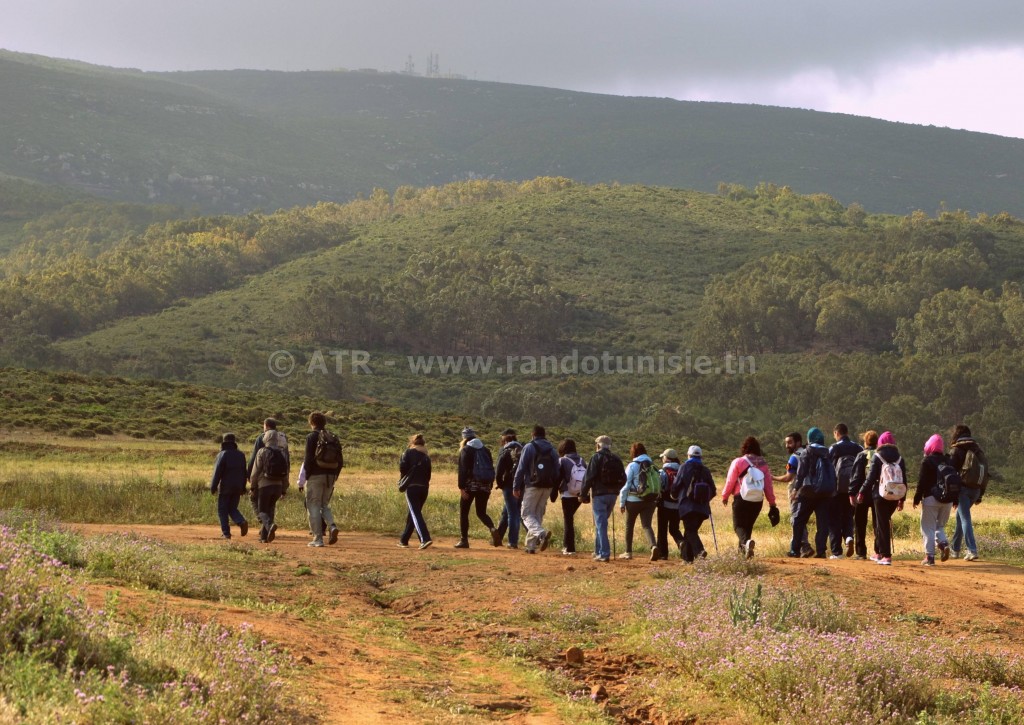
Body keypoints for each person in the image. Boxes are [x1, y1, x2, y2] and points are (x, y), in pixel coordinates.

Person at [721, 437, 776, 559]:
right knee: (747, 527)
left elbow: (730, 481)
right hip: (757, 500)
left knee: (738, 526)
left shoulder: (738, 462)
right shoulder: (763, 464)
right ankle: (743, 556)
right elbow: (768, 485)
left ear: (744, 448)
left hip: (741, 498)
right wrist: (772, 503)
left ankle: (746, 545)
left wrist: (725, 496)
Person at [513, 425, 561, 553]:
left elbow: (521, 468)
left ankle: (541, 534)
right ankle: (530, 546)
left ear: (532, 434)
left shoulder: (529, 447)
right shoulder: (552, 450)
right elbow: (557, 471)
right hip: (547, 486)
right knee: (537, 514)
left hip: (532, 485)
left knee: (526, 514)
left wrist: (516, 486)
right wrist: (554, 488)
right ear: (544, 435)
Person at [579, 435, 627, 563]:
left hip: (599, 495)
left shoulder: (596, 457)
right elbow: (624, 479)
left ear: (598, 445)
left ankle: (604, 553)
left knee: (601, 524)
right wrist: (616, 489)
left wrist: (583, 494)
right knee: (601, 523)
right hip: (613, 495)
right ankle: (597, 551)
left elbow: (588, 478)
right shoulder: (616, 458)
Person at [788, 427, 833, 559]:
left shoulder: (807, 451)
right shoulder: (827, 452)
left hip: (808, 491)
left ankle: (795, 550)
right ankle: (821, 551)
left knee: (799, 520)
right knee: (822, 523)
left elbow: (801, 473)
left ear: (809, 438)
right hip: (824, 492)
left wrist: (796, 489)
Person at [864, 431, 907, 566]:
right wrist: (902, 499)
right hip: (895, 495)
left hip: (880, 494)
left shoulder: (877, 457)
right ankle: (878, 552)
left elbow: (871, 478)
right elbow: (904, 480)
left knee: (882, 524)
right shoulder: (900, 458)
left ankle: (886, 555)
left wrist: (861, 492)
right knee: (882, 523)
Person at [913, 434, 954, 566]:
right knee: (939, 526)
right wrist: (956, 499)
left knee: (927, 528)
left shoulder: (927, 461)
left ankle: (929, 557)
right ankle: (943, 544)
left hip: (931, 498)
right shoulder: (948, 460)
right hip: (947, 500)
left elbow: (922, 481)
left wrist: (917, 497)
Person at [456, 428, 500, 549]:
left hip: (470, 485)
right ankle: (492, 528)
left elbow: (462, 470)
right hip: (485, 485)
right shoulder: (485, 450)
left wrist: (461, 487)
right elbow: (491, 467)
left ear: (464, 438)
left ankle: (464, 540)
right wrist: (490, 484)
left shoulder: (466, 450)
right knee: (481, 512)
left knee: (464, 512)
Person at [949, 425, 988, 561]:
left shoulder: (957, 450)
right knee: (960, 518)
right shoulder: (978, 450)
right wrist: (980, 495)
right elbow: (985, 473)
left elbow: (951, 474)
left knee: (965, 518)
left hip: (963, 490)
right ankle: (955, 549)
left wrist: (952, 495)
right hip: (976, 490)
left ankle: (972, 550)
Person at [303, 411, 342, 548]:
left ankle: (317, 538)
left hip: (316, 476)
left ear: (311, 423)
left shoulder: (311, 437)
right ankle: (331, 526)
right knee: (324, 504)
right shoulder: (332, 437)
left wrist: (307, 476)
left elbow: (308, 460)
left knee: (313, 505)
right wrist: (335, 475)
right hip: (330, 476)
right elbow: (340, 460)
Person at [673, 445, 716, 562]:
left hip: (687, 507)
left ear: (689, 455)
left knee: (690, 531)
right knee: (690, 531)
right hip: (702, 509)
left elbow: (676, 485)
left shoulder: (684, 467)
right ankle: (687, 559)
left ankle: (699, 552)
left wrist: (674, 495)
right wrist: (703, 500)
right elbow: (713, 490)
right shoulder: (705, 470)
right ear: (700, 457)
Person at [617, 442, 659, 560]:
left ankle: (628, 552)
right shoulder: (653, 465)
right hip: (650, 500)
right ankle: (653, 546)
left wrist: (622, 502)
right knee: (646, 525)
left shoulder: (632, 465)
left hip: (633, 500)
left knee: (629, 525)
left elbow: (626, 486)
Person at [774, 432, 813, 557]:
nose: (787, 445)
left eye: (790, 442)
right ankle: (803, 548)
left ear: (798, 442)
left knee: (796, 519)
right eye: (786, 443)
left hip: (797, 490)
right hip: (812, 490)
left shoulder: (794, 457)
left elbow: (788, 477)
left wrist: (772, 477)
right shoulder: (810, 453)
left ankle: (804, 546)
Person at [828, 423, 863, 558]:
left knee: (834, 519)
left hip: (836, 490)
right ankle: (848, 537)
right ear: (847, 433)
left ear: (836, 433)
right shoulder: (858, 448)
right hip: (853, 490)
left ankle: (837, 552)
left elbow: (829, 468)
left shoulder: (834, 448)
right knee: (848, 516)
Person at [251, 428, 289, 544]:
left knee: (262, 511)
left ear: (266, 439)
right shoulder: (282, 452)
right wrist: (284, 489)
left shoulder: (262, 451)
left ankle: (270, 526)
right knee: (270, 510)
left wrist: (253, 487)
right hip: (278, 486)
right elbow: (286, 473)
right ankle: (264, 537)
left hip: (264, 485)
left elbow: (255, 472)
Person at [209, 432, 249, 539]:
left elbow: (217, 472)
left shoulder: (222, 454)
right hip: (238, 487)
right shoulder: (241, 455)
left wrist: (213, 487)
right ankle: (241, 521)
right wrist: (243, 487)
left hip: (225, 486)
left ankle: (226, 533)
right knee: (232, 508)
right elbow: (244, 472)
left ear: (223, 442)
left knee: (222, 510)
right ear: (234, 442)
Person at [849, 430, 880, 560]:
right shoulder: (880, 455)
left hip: (862, 493)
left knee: (860, 523)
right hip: (878, 493)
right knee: (877, 523)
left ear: (865, 441)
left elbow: (855, 476)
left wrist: (852, 493)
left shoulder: (861, 455)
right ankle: (879, 551)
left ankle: (861, 552)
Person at [398, 433, 432, 550]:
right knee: (414, 513)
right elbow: (428, 475)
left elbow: (402, 468)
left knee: (415, 513)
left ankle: (425, 538)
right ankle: (404, 539)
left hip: (412, 487)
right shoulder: (426, 456)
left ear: (413, 442)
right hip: (424, 488)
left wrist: (404, 480)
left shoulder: (408, 453)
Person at [556, 438, 587, 556]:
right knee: (569, 519)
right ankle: (568, 546)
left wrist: (555, 492)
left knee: (568, 520)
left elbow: (557, 477)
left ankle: (569, 548)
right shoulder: (582, 460)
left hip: (567, 493)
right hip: (579, 494)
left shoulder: (562, 460)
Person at [493, 429, 523, 549]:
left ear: (504, 441)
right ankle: (498, 537)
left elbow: (498, 471)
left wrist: (500, 484)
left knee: (513, 513)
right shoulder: (522, 450)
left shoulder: (505, 451)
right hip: (521, 486)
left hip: (509, 485)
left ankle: (512, 541)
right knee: (507, 512)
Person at [652, 449, 685, 561]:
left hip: (664, 506)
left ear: (666, 458)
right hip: (678, 506)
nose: (662, 459)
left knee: (662, 530)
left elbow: (660, 488)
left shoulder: (663, 472)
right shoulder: (681, 471)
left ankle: (663, 554)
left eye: (663, 457)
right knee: (674, 529)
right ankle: (681, 543)